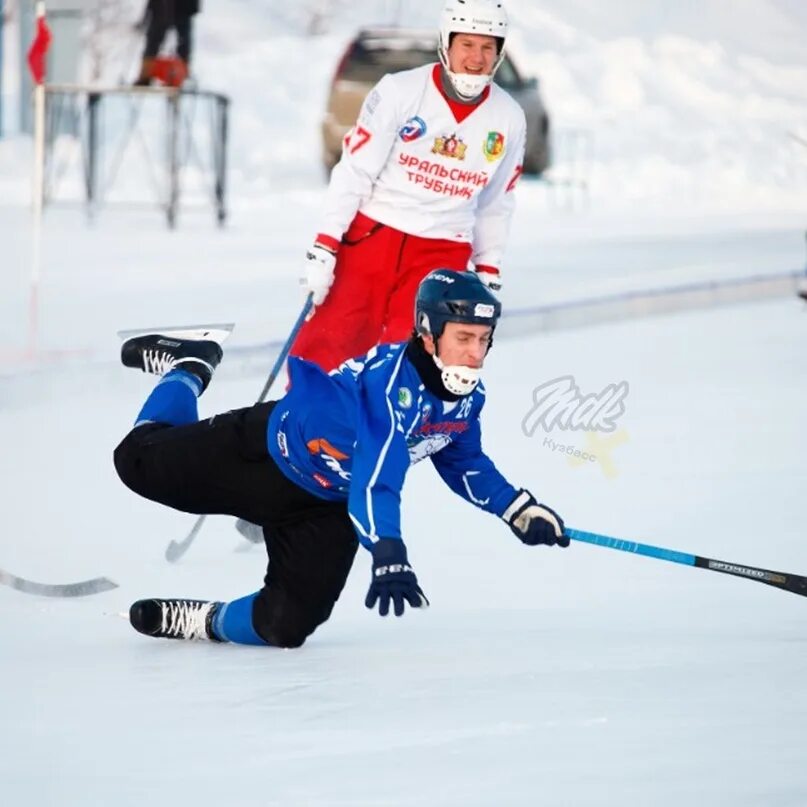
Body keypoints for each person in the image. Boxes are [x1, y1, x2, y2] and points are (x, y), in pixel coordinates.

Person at [114, 271, 568, 648]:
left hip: (327, 504)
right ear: (428, 334)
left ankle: (204, 622)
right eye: (464, 337)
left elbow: (465, 463)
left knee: (286, 627)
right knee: (134, 463)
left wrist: (518, 509)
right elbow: (377, 476)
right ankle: (190, 365)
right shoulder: (390, 386)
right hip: (267, 458)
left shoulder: (465, 398)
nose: (475, 354)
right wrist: (387, 550)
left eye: (484, 339)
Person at [291, 0, 527, 372]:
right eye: (467, 44)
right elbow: (355, 170)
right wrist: (325, 246)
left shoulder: (508, 116)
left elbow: (497, 201)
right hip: (372, 237)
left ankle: (398, 429)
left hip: (442, 251)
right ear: (447, 44)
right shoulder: (400, 91)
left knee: (414, 360)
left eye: (487, 47)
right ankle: (304, 425)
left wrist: (488, 269)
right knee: (328, 345)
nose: (476, 58)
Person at [133, 0, 200, 87]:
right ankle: (146, 75)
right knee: (153, 40)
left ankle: (180, 76)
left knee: (182, 42)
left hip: (183, 7)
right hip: (161, 6)